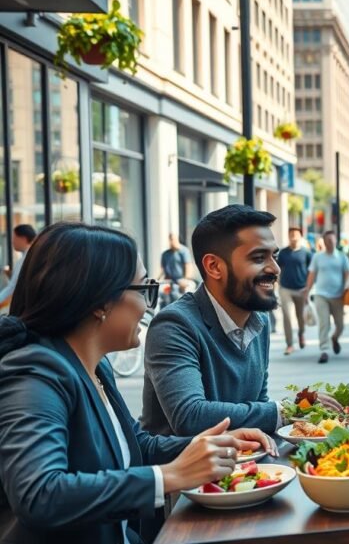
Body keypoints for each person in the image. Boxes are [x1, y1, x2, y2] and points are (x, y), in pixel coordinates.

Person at [0, 223, 275, 544]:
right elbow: (39, 495)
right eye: (144, 290)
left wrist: (213, 444)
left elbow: (136, 445)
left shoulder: (95, 366)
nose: (148, 306)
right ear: (100, 303)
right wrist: (168, 476)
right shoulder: (35, 375)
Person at [141, 205, 343, 437]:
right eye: (259, 258)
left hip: (243, 465)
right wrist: (287, 410)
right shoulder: (174, 326)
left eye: (274, 256)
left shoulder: (260, 320)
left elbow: (257, 404)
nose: (275, 268)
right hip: (184, 470)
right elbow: (190, 416)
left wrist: (302, 418)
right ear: (214, 267)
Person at [305, 230, 349, 364]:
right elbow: (311, 275)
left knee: (340, 325)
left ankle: (335, 338)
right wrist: (307, 291)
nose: (330, 243)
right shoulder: (317, 257)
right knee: (324, 323)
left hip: (338, 296)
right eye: (327, 241)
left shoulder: (342, 257)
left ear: (336, 241)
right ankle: (324, 350)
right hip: (321, 295)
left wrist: (347, 285)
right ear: (324, 242)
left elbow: (348, 274)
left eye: (332, 240)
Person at [277, 227, 313, 356]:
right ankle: (290, 344)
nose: (293, 237)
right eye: (291, 234)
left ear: (300, 236)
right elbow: (277, 269)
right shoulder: (283, 253)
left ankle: (301, 334)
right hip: (285, 288)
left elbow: (311, 272)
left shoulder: (306, 253)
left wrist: (308, 288)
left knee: (300, 317)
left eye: (296, 235)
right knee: (286, 316)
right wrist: (277, 283)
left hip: (301, 289)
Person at [0, 224, 36, 312]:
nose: (12, 242)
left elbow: (12, 287)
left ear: (23, 238)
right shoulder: (32, 256)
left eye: (14, 238)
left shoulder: (26, 259)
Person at [157, 233, 193, 305]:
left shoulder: (184, 251)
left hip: (181, 280)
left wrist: (186, 280)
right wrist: (157, 280)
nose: (172, 241)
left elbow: (188, 266)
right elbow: (162, 269)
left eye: (173, 239)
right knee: (161, 293)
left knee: (183, 296)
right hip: (169, 281)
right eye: (170, 239)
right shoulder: (165, 254)